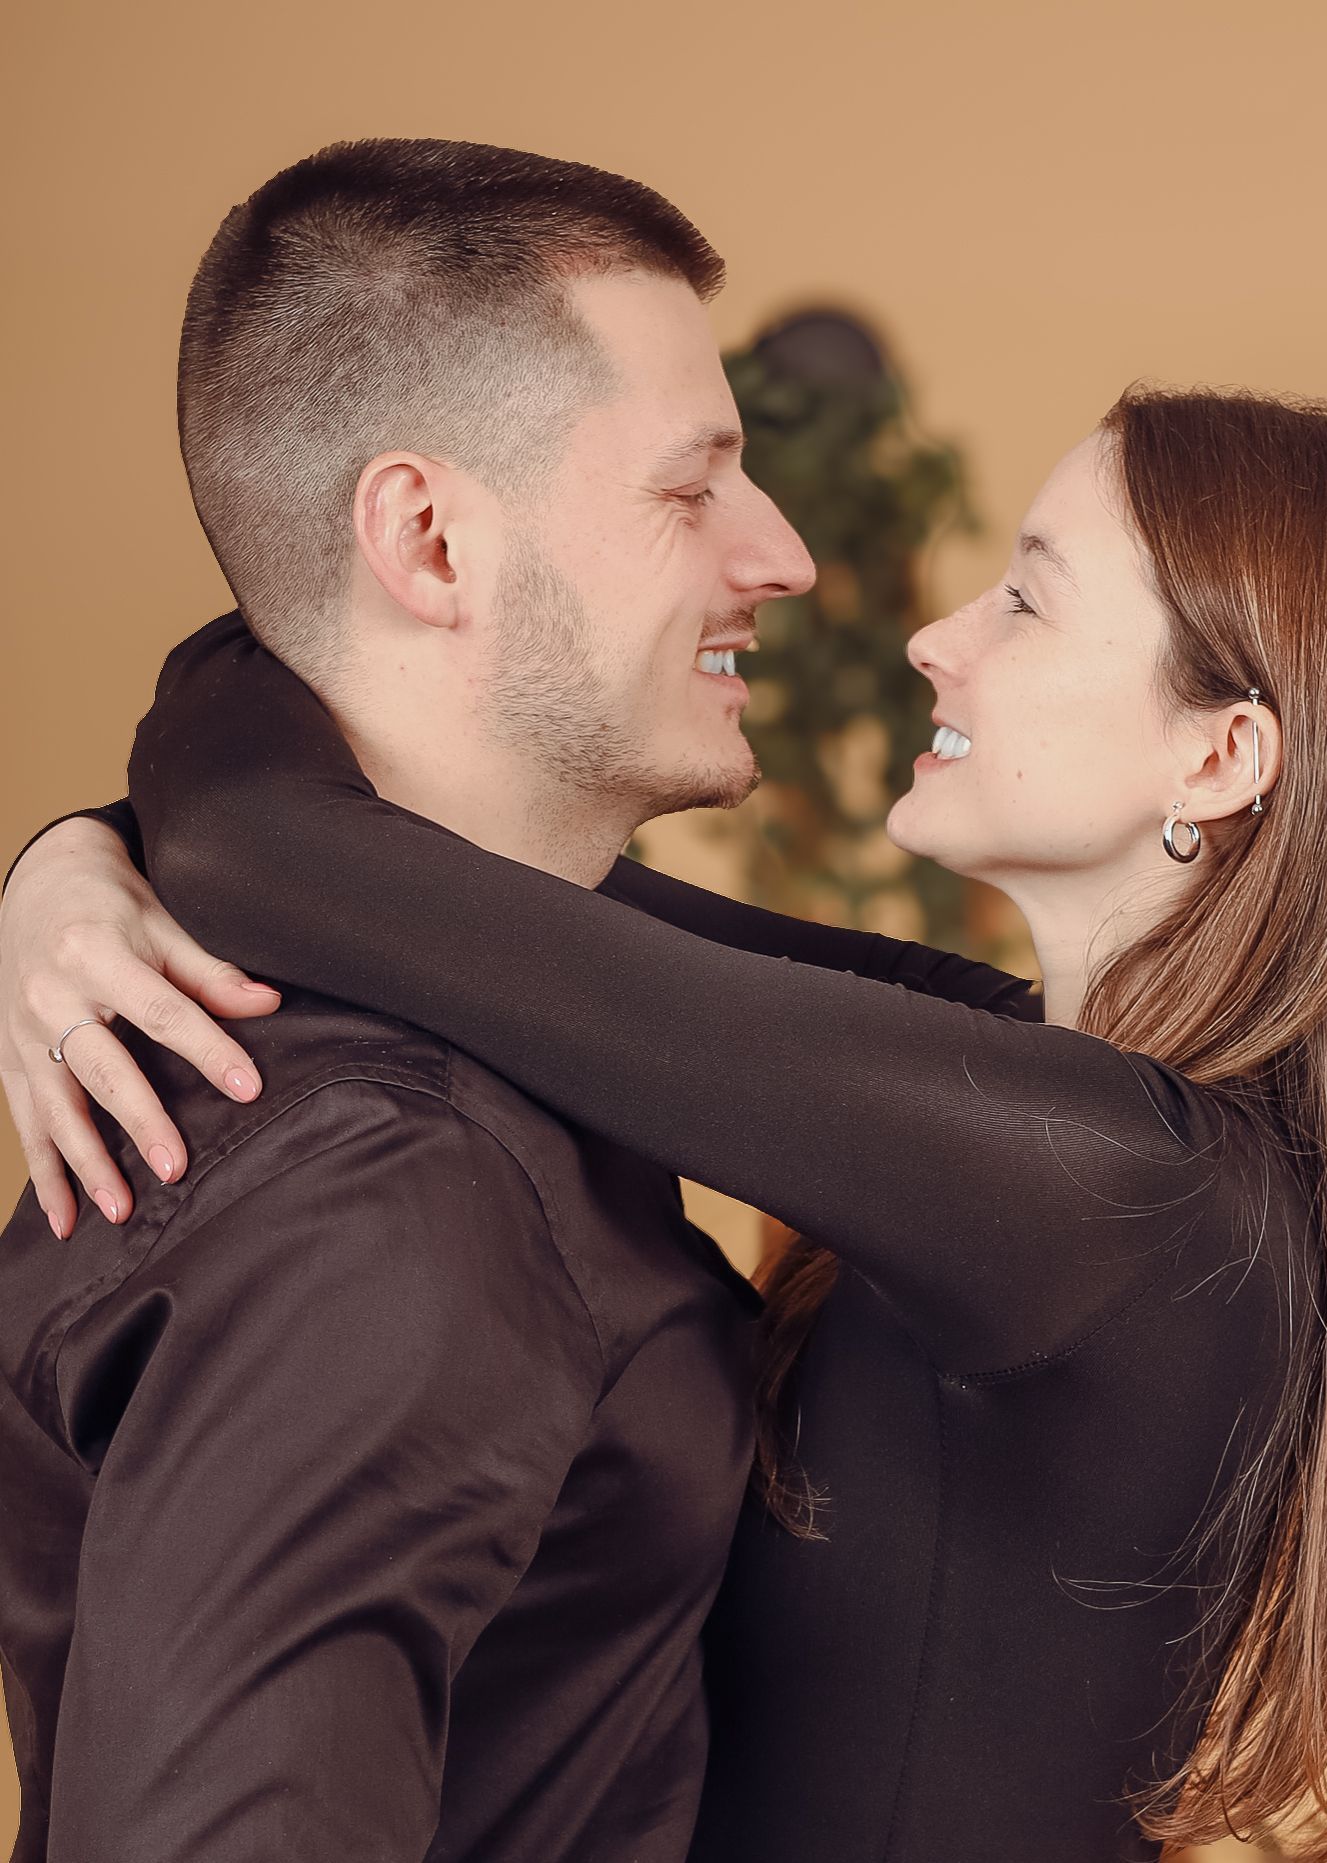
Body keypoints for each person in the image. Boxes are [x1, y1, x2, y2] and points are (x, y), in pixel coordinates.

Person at [11, 383, 1327, 1861]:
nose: (936, 640)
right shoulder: (1057, 1108)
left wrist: (70, 864)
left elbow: (295, 860)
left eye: (1024, 600)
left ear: (1219, 758)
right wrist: (89, 851)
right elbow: (437, 879)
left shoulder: (1118, 1191)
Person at [0, 134, 868, 1863]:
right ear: (428, 539)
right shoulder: (390, 1198)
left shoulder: (456, 1035)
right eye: (693, 487)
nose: (781, 558)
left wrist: (72, 847)